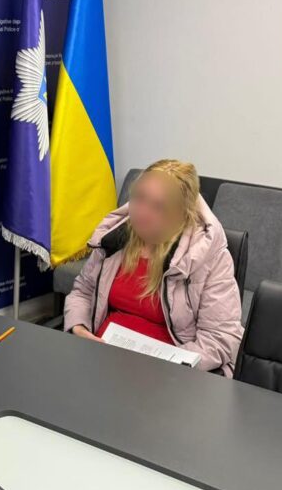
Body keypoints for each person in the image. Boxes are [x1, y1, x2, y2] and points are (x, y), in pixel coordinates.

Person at [63, 159, 244, 376]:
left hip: (169, 375)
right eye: (139, 198)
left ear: (182, 214)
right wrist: (79, 328)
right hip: (103, 360)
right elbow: (83, 291)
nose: (142, 212)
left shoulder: (209, 258)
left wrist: (169, 367)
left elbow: (221, 338)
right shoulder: (114, 239)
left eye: (158, 207)